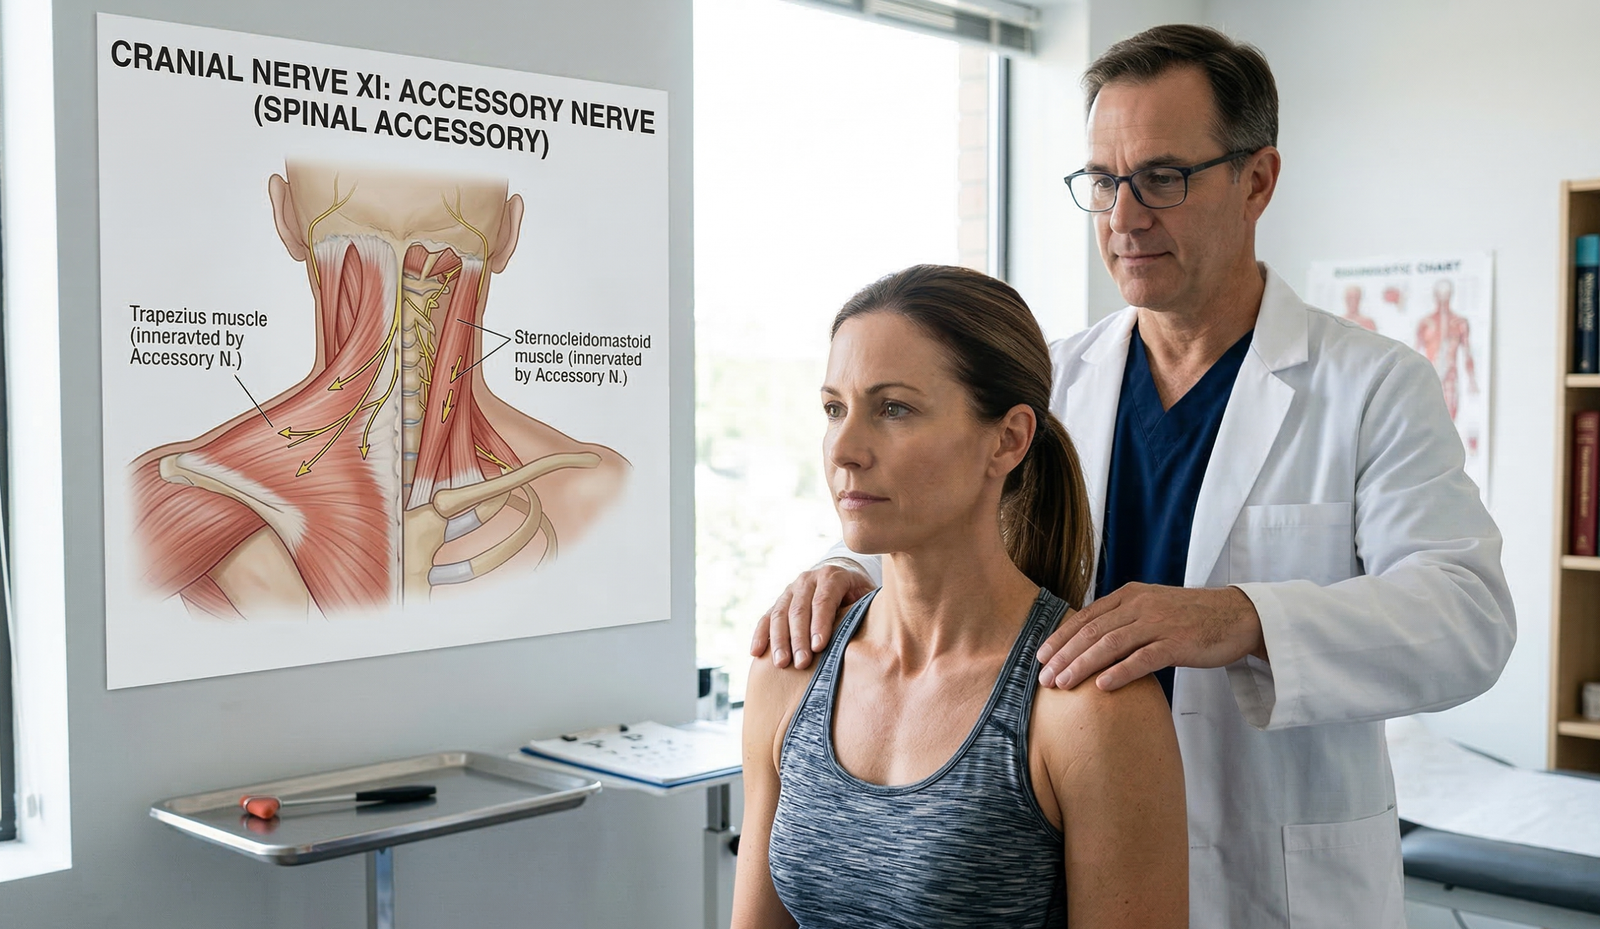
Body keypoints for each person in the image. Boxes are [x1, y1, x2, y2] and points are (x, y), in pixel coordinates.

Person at [750, 25, 1515, 929]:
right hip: (1069, 849)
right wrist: (843, 569)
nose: (1124, 216)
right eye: (1104, 183)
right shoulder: (1057, 377)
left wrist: (1240, 618)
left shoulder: (1370, 385)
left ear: (1257, 180)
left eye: (1162, 177)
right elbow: (943, 510)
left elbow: (1468, 615)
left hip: (1277, 884)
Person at [732, 265, 1187, 929]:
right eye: (834, 408)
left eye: (894, 409)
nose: (846, 450)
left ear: (1007, 439)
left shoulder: (1090, 708)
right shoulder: (791, 666)